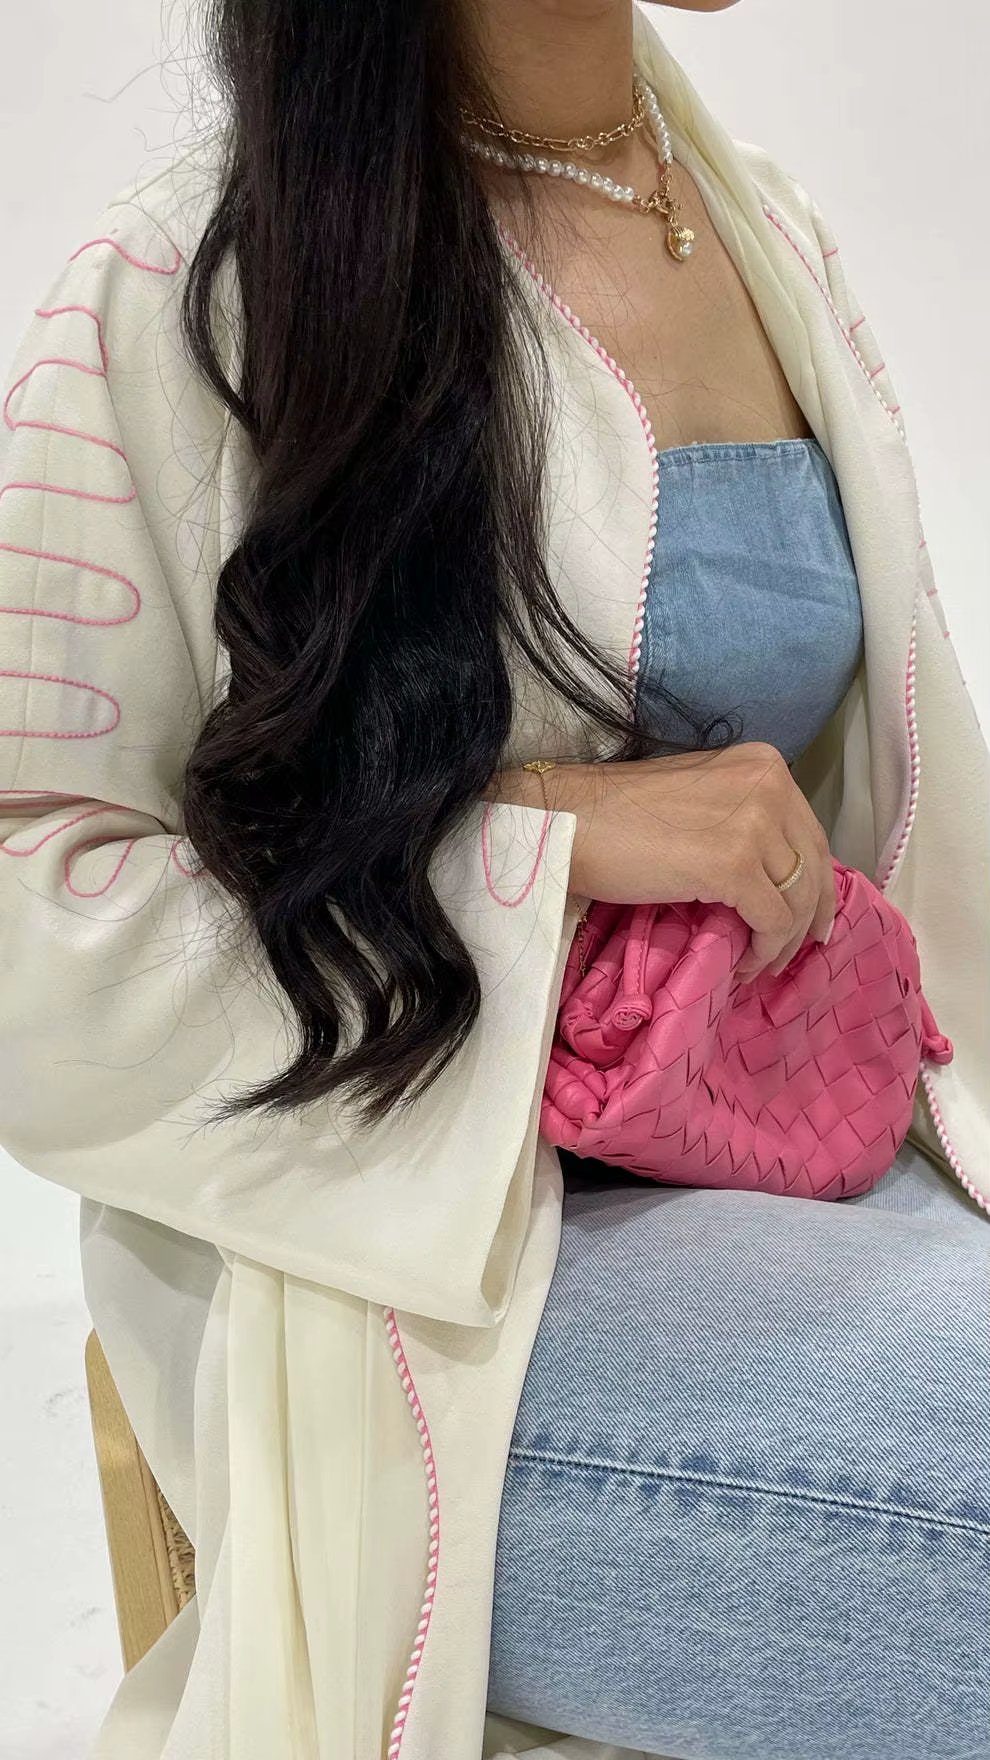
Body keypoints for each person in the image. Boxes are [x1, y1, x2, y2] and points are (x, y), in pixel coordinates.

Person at [2, 0, 988, 1756]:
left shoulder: (757, 227)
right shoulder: (192, 286)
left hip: (804, 1165)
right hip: (425, 1301)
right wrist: (526, 838)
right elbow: (29, 909)